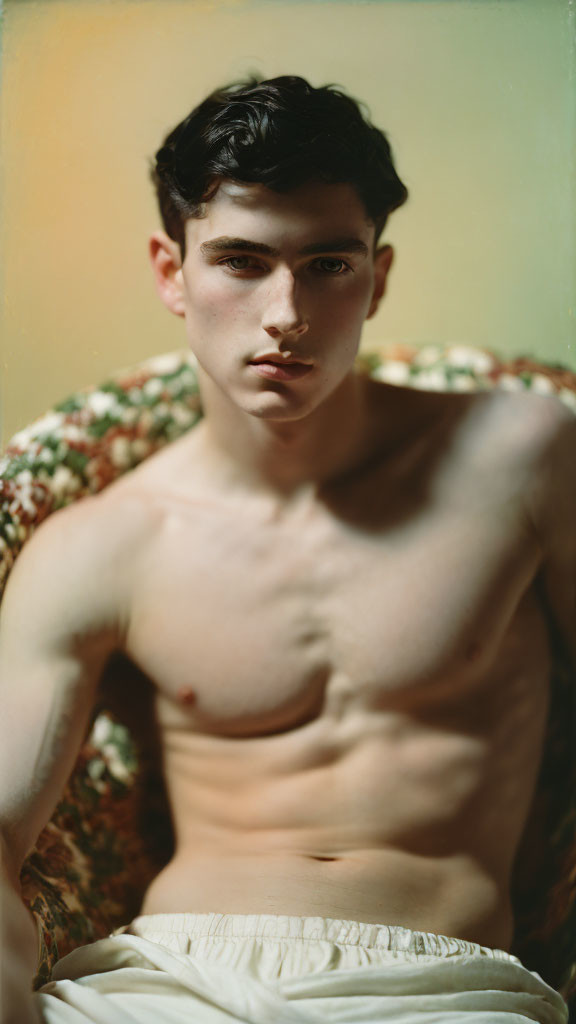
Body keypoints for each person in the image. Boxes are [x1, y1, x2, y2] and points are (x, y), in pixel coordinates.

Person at [0, 74, 573, 1024]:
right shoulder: (99, 547)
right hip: (161, 982)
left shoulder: (522, 459)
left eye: (328, 265)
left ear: (378, 278)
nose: (285, 315)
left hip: (444, 990)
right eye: (240, 261)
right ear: (170, 271)